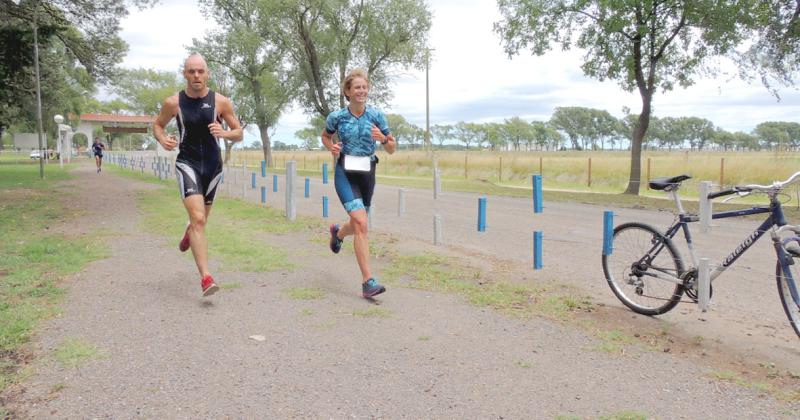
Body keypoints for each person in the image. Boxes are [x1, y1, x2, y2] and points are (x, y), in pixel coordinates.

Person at [153, 53, 243, 296]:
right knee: (199, 219)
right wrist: (163, 139)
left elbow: (238, 132)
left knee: (200, 220)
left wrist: (224, 133)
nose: (196, 76)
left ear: (207, 73)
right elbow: (157, 125)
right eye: (191, 71)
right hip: (188, 163)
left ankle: (189, 232)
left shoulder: (221, 102)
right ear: (184, 73)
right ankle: (206, 277)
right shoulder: (174, 103)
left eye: (200, 71)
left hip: (213, 167)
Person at [322, 68, 396, 298]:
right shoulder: (337, 117)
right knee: (362, 222)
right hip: (345, 172)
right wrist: (331, 146)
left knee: (358, 224)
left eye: (364, 87)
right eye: (357, 87)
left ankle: (339, 233)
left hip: (367, 173)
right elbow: (326, 136)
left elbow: (392, 148)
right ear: (348, 91)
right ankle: (368, 282)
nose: (361, 91)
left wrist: (383, 139)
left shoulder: (376, 116)